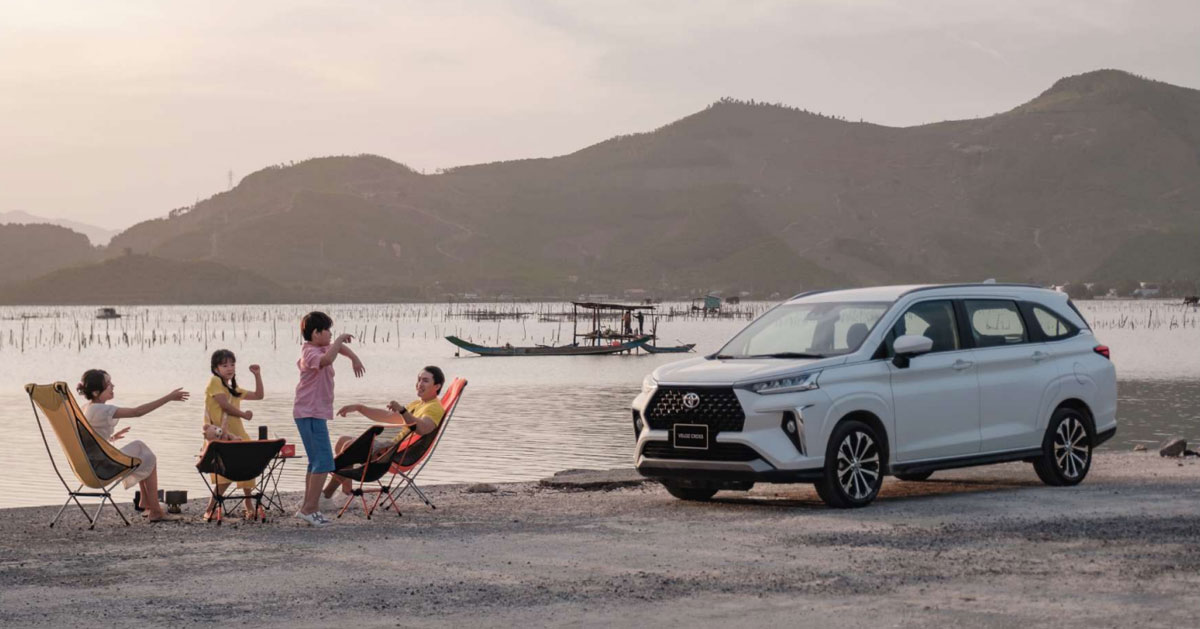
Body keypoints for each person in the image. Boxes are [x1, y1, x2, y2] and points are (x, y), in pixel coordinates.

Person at [76, 369, 189, 522]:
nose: (112, 386)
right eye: (108, 384)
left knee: (140, 448)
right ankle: (154, 509)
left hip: (89, 465)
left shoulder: (86, 408)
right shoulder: (101, 409)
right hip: (101, 468)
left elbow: (89, 439)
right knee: (148, 456)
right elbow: (137, 412)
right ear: (96, 392)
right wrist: (168, 397)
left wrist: (112, 438)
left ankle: (147, 502)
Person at [323, 366, 446, 501]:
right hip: (392, 448)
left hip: (396, 454)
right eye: (419, 379)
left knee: (349, 446)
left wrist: (403, 410)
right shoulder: (418, 404)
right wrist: (360, 408)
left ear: (437, 386)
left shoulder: (434, 407)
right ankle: (346, 494)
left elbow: (423, 428)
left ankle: (326, 495)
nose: (419, 384)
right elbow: (388, 417)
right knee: (342, 441)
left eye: (425, 381)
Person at [293, 311, 365, 527]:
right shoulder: (310, 353)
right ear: (316, 333)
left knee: (316, 461)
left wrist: (354, 358)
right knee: (324, 462)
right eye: (327, 331)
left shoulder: (323, 346)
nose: (331, 335)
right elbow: (327, 360)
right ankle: (310, 509)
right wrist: (341, 339)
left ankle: (308, 506)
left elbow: (337, 349)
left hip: (313, 413)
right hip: (310, 413)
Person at [201, 349, 265, 521]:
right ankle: (210, 509)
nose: (229, 368)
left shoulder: (233, 388)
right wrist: (244, 414)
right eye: (224, 365)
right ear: (216, 368)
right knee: (225, 475)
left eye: (232, 364)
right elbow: (224, 405)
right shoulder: (214, 381)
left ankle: (248, 505)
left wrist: (257, 375)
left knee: (247, 469)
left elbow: (259, 395)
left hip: (239, 434)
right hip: (222, 436)